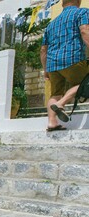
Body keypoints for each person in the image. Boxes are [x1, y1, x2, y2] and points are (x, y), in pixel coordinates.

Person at [41, 0, 89, 131]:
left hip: (52, 63)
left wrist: (45, 69)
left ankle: (52, 122)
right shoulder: (82, 12)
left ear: (62, 4)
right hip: (72, 58)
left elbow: (43, 50)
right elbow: (85, 31)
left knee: (55, 93)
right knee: (85, 82)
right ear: (78, 2)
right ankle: (61, 104)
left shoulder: (51, 24)